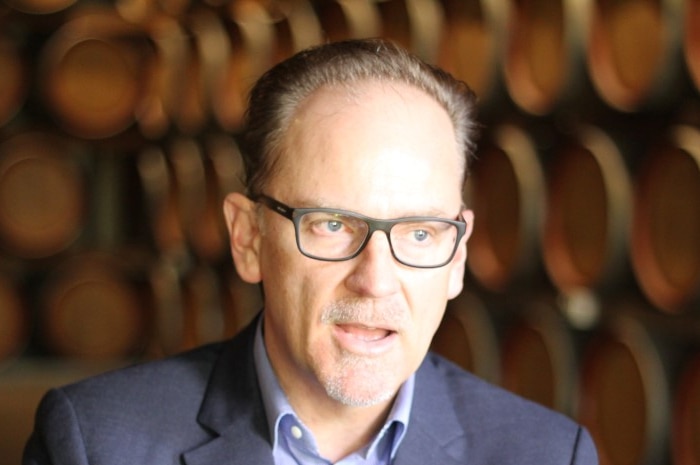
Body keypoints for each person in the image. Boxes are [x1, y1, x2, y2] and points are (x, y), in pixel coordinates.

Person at [24, 38, 598, 465]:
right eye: (330, 224)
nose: (375, 280)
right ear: (248, 238)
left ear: (458, 257)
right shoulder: (94, 442)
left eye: (419, 233)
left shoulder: (548, 453)